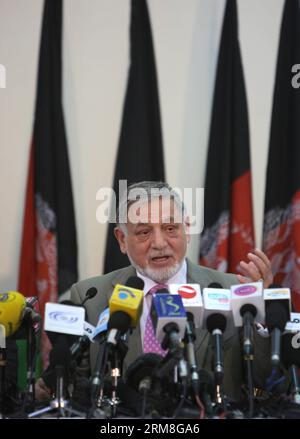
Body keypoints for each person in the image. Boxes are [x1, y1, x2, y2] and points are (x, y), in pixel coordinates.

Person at [36, 181, 273, 402]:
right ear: (121, 239)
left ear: (186, 230)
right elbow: (75, 390)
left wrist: (262, 311)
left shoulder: (234, 290)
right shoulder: (90, 296)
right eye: (144, 232)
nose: (159, 243)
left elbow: (264, 382)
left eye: (170, 228)